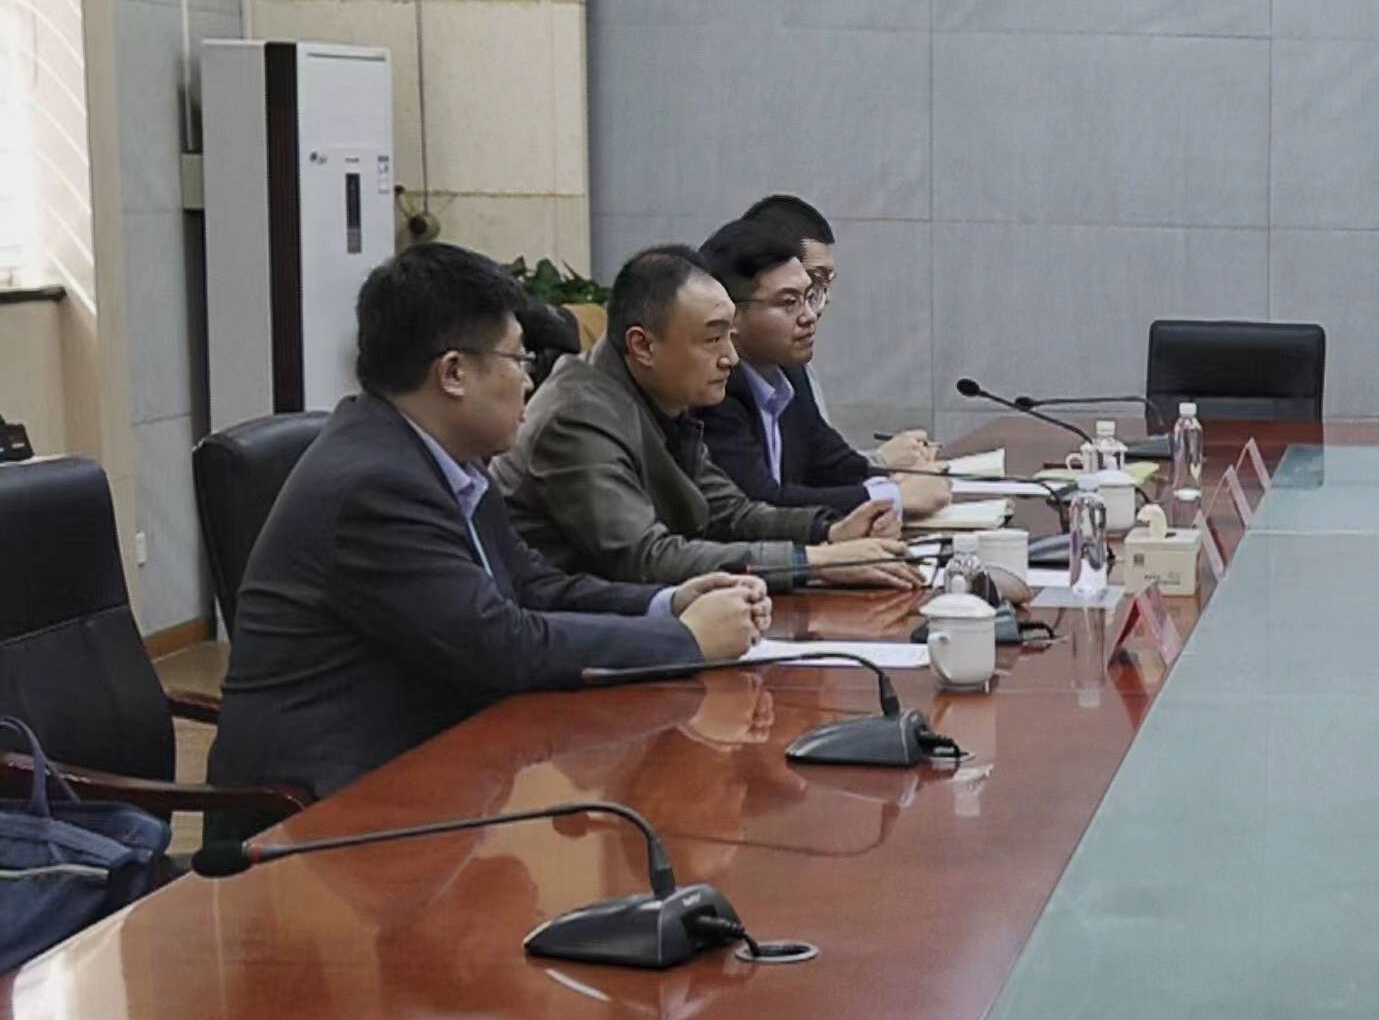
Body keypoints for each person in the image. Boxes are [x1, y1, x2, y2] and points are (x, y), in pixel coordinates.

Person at [209, 242, 770, 804]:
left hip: (434, 764)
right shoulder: (375, 486)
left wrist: (668, 603)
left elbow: (533, 586)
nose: (529, 381)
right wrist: (686, 640)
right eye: (519, 360)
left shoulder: (442, 456)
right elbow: (502, 646)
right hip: (327, 805)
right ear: (453, 373)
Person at [493, 245, 916, 589]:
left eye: (729, 335)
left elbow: (729, 513)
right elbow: (645, 558)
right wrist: (817, 562)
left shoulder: (663, 395)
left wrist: (828, 532)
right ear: (643, 346)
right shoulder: (577, 419)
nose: (731, 358)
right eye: (713, 339)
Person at [692, 216, 949, 520]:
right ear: (730, 315)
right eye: (789, 302)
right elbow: (761, 503)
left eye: (810, 297)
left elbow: (832, 464)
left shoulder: (788, 373)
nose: (810, 316)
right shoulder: (714, 390)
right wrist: (894, 497)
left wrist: (893, 479)